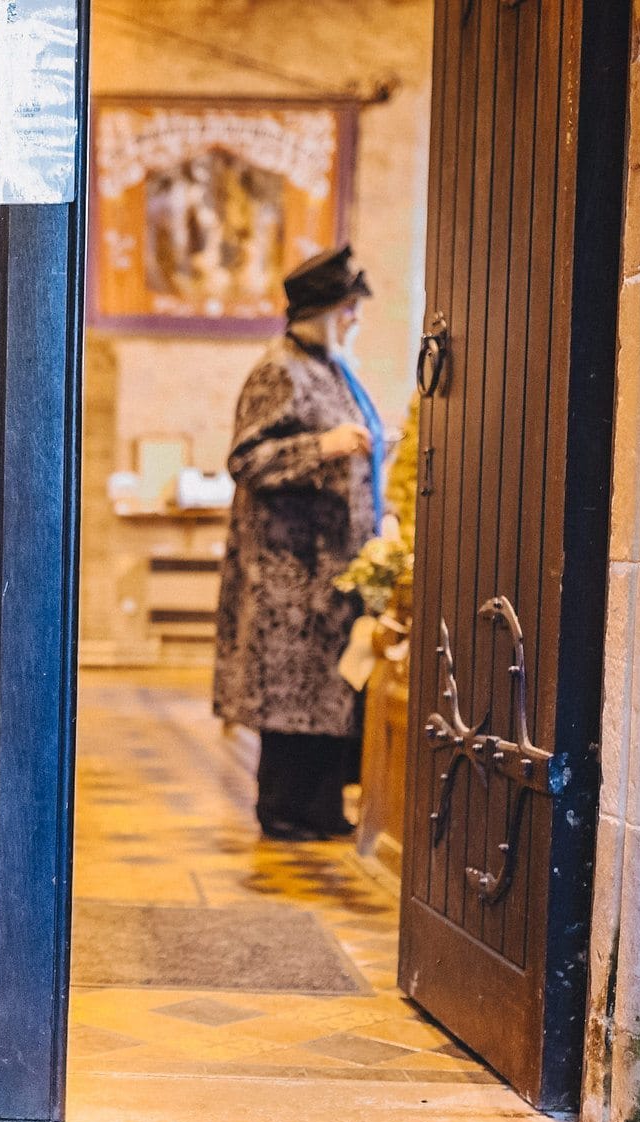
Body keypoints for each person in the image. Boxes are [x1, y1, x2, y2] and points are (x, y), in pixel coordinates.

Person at [213, 244, 387, 841]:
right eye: (348, 310)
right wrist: (324, 447)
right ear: (323, 314)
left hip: (332, 572)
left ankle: (320, 810)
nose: (356, 320)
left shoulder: (332, 369)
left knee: (327, 695)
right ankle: (286, 810)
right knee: (293, 702)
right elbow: (246, 459)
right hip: (289, 576)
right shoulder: (277, 369)